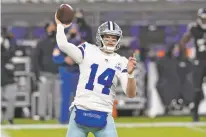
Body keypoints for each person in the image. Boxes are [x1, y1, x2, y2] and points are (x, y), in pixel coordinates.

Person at [55, 12, 137, 137]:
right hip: (81, 110)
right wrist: (60, 25)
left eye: (114, 38)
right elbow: (63, 45)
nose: (110, 41)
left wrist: (131, 75)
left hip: (104, 114)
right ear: (100, 37)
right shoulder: (88, 49)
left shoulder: (122, 61)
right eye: (107, 37)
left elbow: (130, 94)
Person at [179, 8, 206, 122]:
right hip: (199, 61)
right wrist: (185, 58)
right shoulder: (194, 28)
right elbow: (183, 42)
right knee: (197, 90)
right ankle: (195, 112)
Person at [53, 23, 81, 124]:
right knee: (65, 97)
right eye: (72, 29)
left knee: (80, 98)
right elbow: (55, 57)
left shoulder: (81, 43)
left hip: (79, 73)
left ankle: (78, 120)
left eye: (75, 29)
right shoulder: (61, 43)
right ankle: (64, 119)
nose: (74, 31)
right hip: (66, 72)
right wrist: (64, 59)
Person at [32, 21, 60, 120]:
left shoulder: (60, 42)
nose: (53, 29)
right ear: (47, 28)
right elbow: (36, 58)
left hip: (58, 73)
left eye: (54, 27)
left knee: (58, 97)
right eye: (51, 27)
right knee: (43, 95)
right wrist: (38, 73)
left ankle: (58, 115)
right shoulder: (41, 42)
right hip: (45, 73)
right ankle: (42, 114)